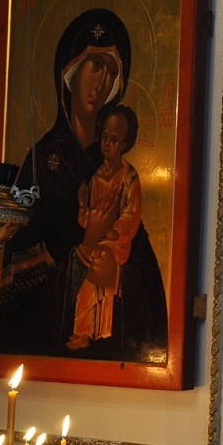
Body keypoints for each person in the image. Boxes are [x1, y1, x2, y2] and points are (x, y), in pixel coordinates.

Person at [0, 9, 169, 363]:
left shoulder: (117, 171)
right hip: (44, 352)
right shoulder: (40, 163)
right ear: (70, 70)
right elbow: (13, 286)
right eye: (96, 65)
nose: (102, 82)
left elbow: (148, 276)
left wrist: (117, 277)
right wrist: (85, 249)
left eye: (112, 72)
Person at [68, 105, 144, 351]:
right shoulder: (96, 178)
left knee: (99, 260)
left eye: (114, 140)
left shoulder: (129, 177)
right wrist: (82, 204)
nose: (107, 144)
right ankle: (83, 332)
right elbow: (88, 222)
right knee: (88, 272)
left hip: (118, 241)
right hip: (97, 240)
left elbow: (132, 213)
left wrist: (115, 230)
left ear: (125, 144)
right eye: (104, 138)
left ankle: (99, 331)